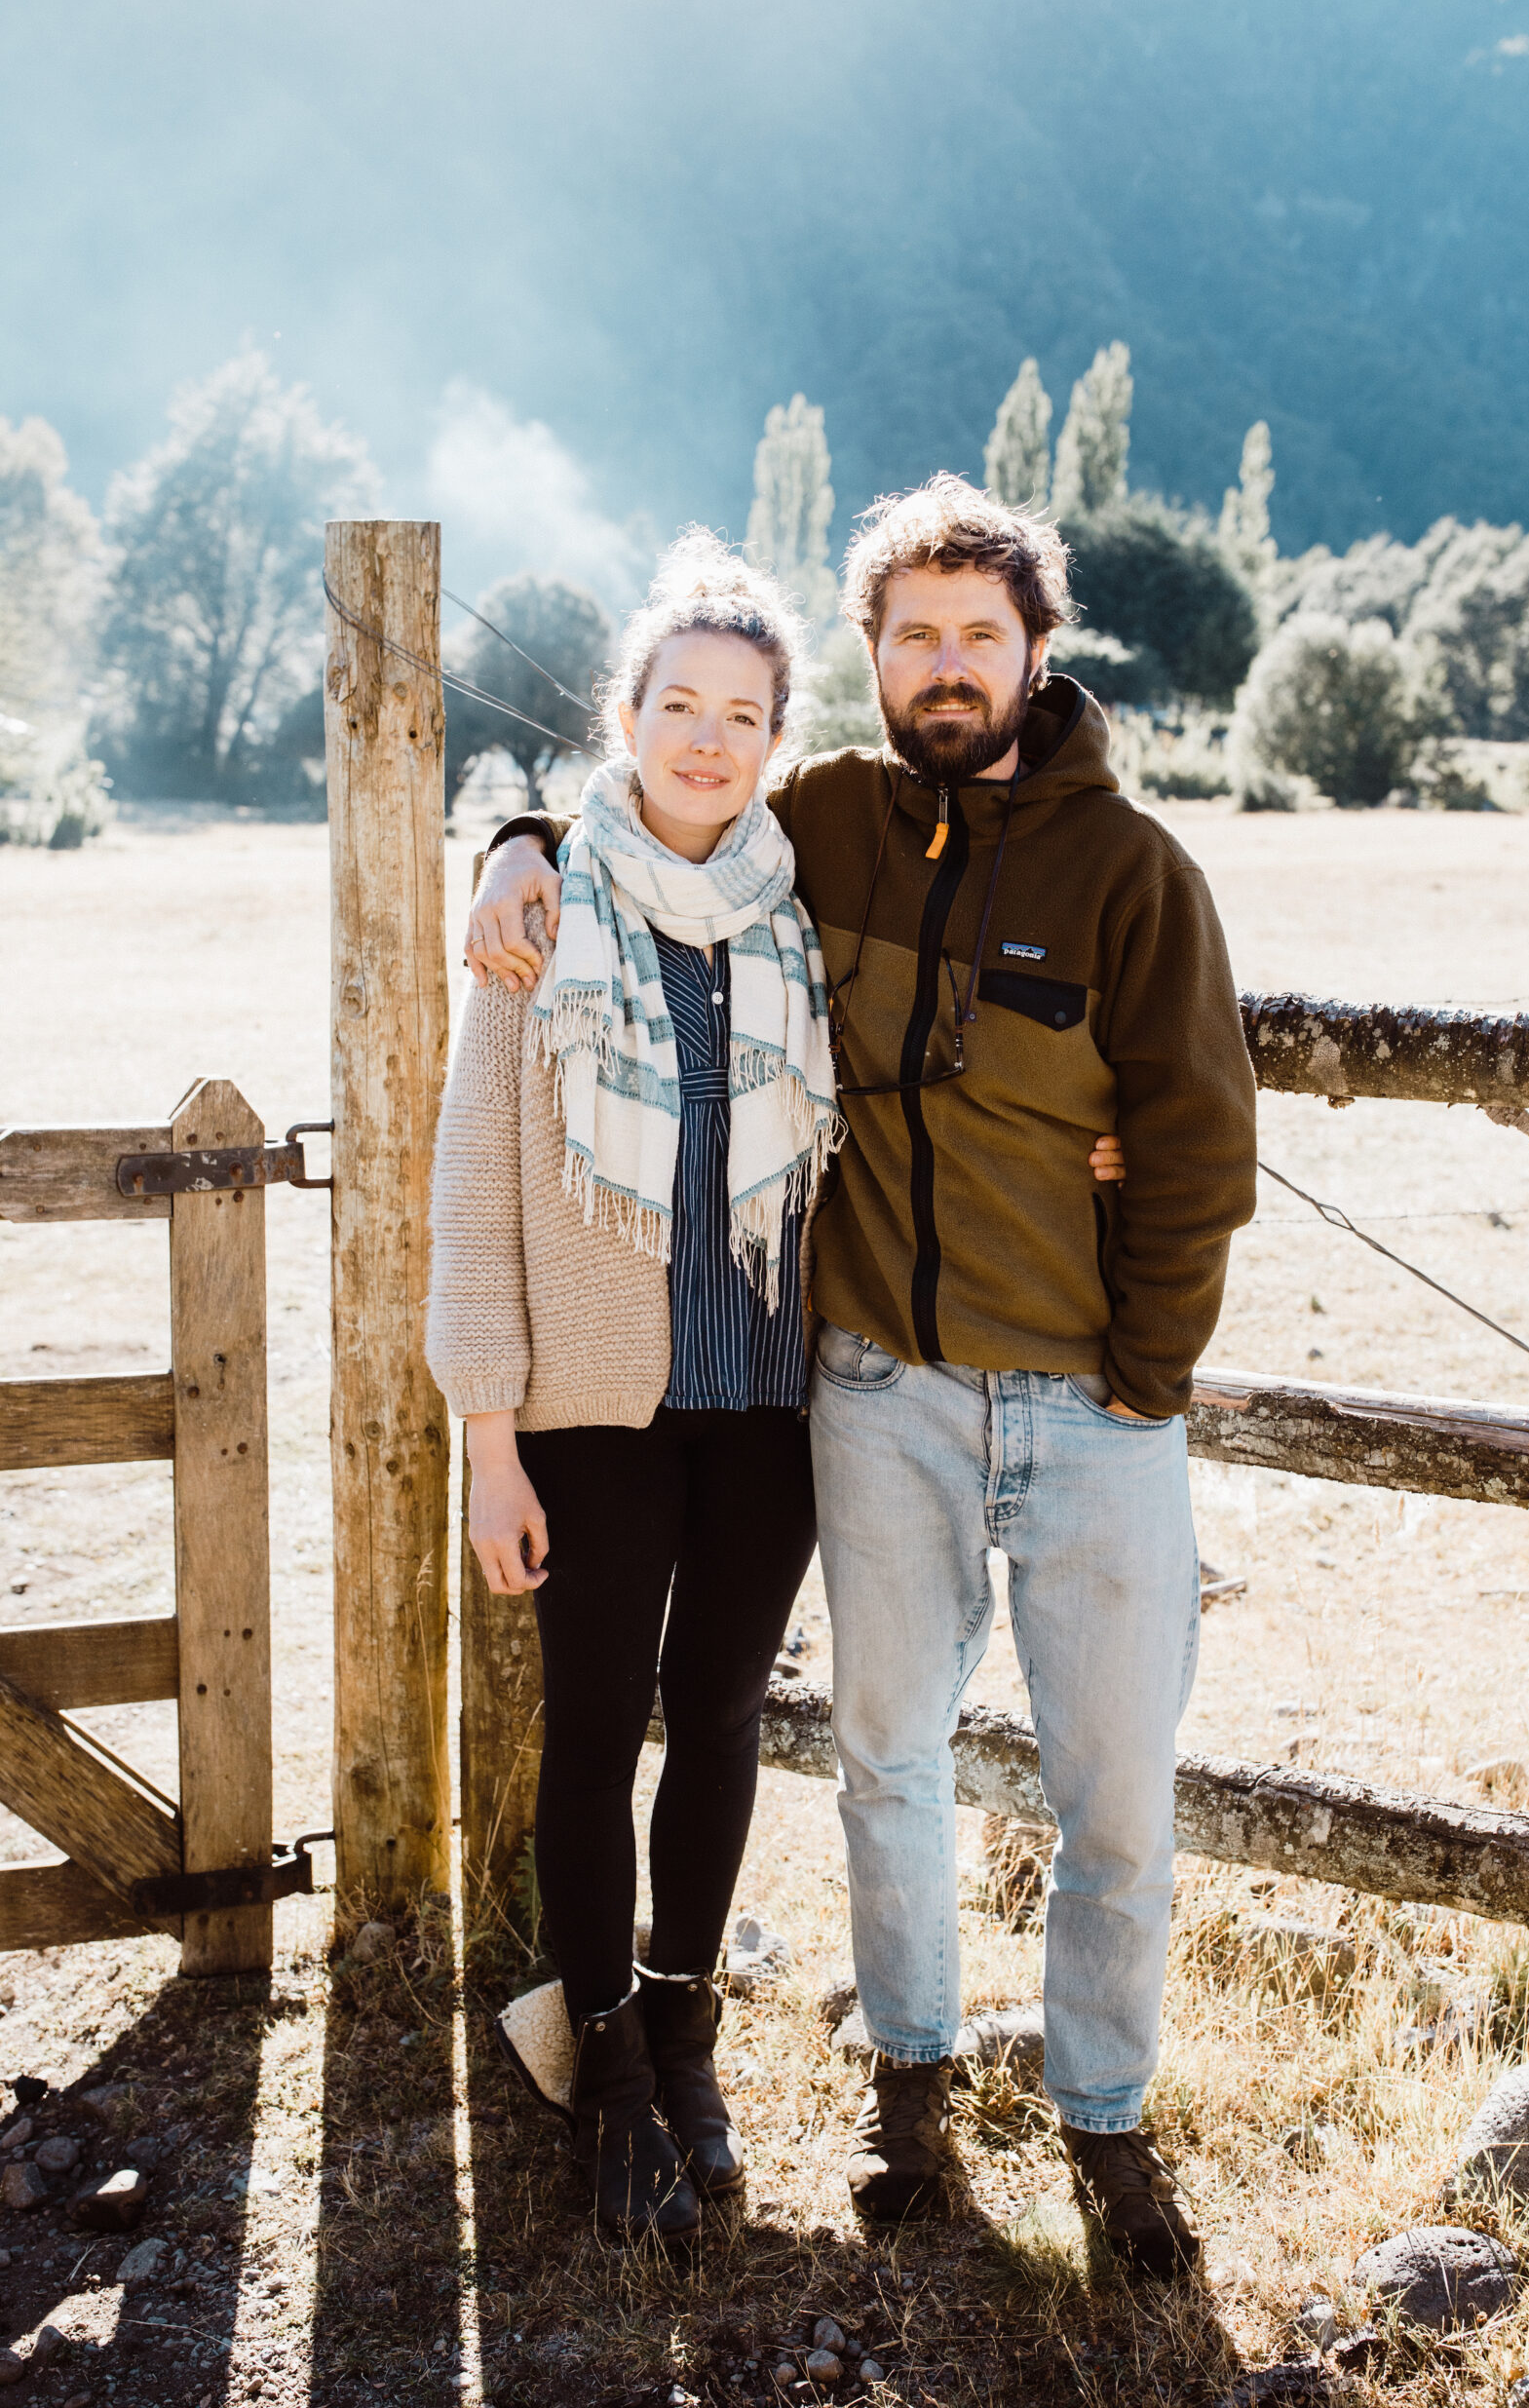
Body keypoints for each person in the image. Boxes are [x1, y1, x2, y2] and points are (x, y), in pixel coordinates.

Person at [464, 478, 1255, 2274]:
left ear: (1038, 651)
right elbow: (644, 806)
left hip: (1086, 1410)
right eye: (916, 636)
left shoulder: (1134, 871)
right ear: (879, 665)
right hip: (876, 1394)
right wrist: (511, 834)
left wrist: (1144, 1377)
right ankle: (909, 2102)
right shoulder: (820, 817)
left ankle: (1108, 2119)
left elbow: (1202, 1147)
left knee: (1117, 1791)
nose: (950, 664)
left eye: (982, 633)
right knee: (887, 1761)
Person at [425, 535, 843, 2244]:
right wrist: (488, 1441)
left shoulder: (801, 918)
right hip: (595, 1411)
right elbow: (473, 1195)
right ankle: (601, 2072)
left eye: (741, 714)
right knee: (594, 1734)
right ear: (629, 714)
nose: (706, 739)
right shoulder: (538, 911)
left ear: (774, 739)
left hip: (766, 1398)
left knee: (725, 1724)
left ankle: (684, 2033)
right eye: (679, 704)